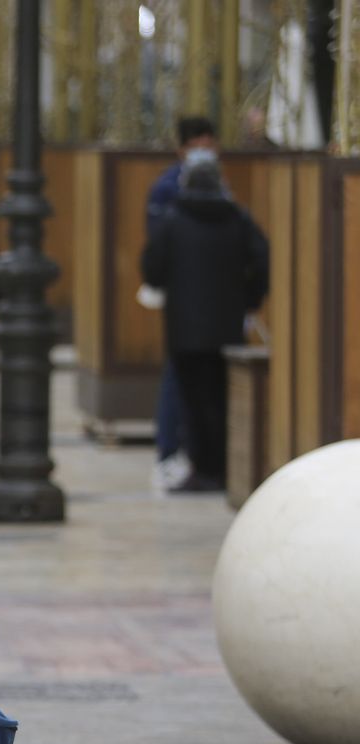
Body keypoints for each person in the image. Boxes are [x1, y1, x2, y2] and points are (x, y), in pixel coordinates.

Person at [140, 154, 269, 493]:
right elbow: (261, 258)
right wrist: (251, 298)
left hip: (184, 329)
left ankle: (202, 468)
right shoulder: (238, 219)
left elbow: (152, 266)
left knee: (192, 400)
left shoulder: (173, 220)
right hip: (226, 326)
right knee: (221, 398)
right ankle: (224, 468)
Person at [146, 117, 218, 489]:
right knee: (177, 375)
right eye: (197, 144)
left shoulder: (219, 189)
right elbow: (156, 252)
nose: (205, 151)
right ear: (182, 149)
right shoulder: (166, 189)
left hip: (215, 302)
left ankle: (200, 456)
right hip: (184, 301)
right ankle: (169, 451)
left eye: (209, 143)